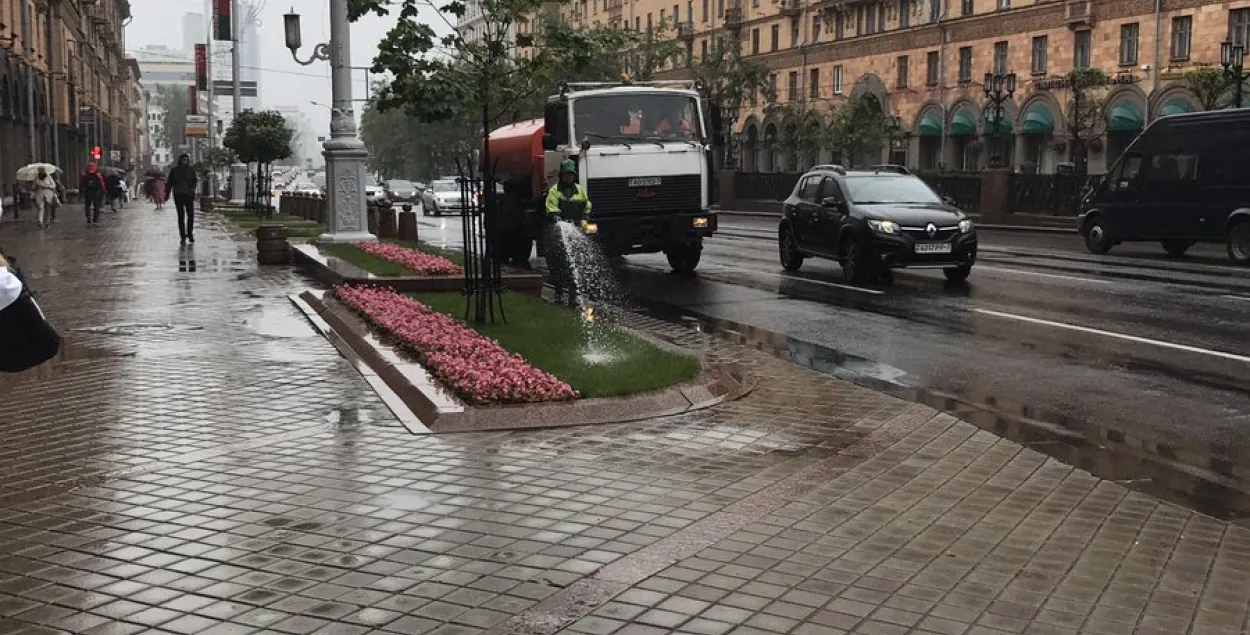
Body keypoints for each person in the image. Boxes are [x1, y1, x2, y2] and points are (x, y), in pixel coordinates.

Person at [543, 159, 592, 307]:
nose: (568, 177)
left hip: (575, 230)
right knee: (558, 264)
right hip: (560, 233)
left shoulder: (580, 190)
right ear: (561, 176)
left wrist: (584, 219)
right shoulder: (554, 191)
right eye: (566, 175)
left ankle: (573, 295)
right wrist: (559, 221)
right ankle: (559, 292)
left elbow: (587, 205)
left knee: (575, 263)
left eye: (571, 175)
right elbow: (551, 208)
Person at [166, 154, 198, 244]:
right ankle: (183, 236)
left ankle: (190, 233)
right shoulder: (174, 170)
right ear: (180, 160)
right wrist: (167, 194)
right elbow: (170, 183)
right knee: (181, 216)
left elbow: (195, 180)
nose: (185, 161)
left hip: (188, 195)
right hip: (178, 194)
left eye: (186, 160)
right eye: (183, 160)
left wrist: (192, 189)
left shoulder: (191, 170)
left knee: (190, 215)